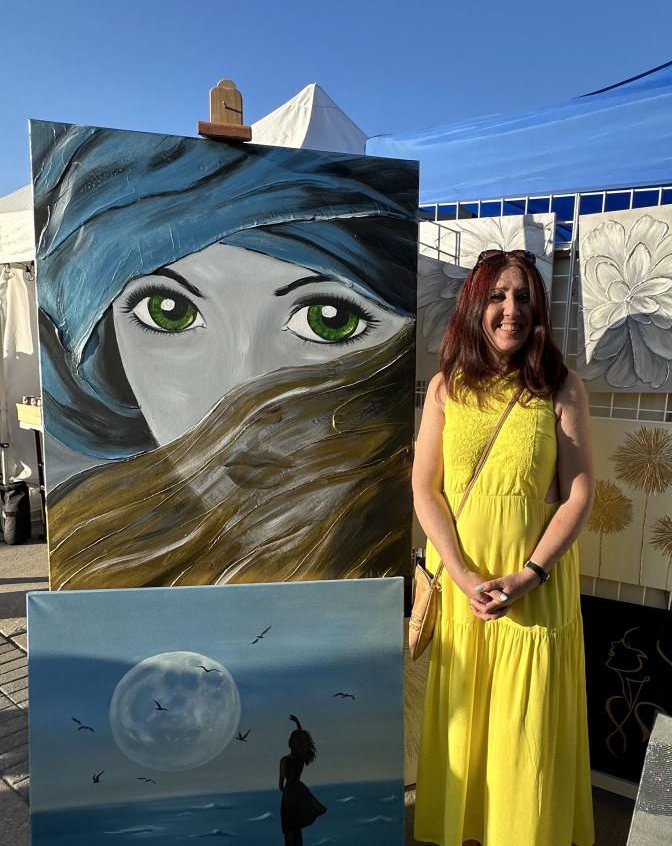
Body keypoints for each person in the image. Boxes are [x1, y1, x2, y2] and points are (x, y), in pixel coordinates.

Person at [30, 119, 418, 588]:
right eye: (169, 311)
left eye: (327, 319)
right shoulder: (99, 555)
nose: (241, 394)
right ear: (108, 345)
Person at [412, 247, 595, 846]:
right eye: (497, 295)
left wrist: (527, 575)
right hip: (467, 591)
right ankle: (462, 828)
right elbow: (425, 488)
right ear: (474, 306)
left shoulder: (561, 386)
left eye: (523, 296)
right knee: (470, 719)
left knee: (526, 731)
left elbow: (579, 493)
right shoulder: (446, 387)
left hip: (531, 592)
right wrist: (460, 575)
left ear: (538, 308)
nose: (511, 309)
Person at [279, 714, 328, 846]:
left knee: (288, 835)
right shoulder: (301, 759)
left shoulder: (284, 760)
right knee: (298, 833)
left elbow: (280, 785)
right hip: (299, 793)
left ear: (290, 743)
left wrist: (286, 790)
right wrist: (298, 723)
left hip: (288, 796)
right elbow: (303, 741)